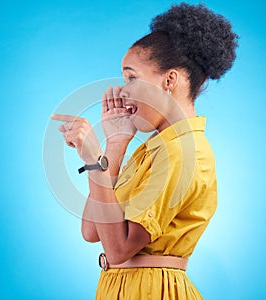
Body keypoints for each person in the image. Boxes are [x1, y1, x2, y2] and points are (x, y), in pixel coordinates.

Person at [51, 2, 238, 299]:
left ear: (169, 81)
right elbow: (91, 231)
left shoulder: (184, 152)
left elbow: (118, 248)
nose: (122, 91)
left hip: (151, 291)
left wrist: (93, 160)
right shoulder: (153, 150)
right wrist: (115, 144)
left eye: (132, 78)